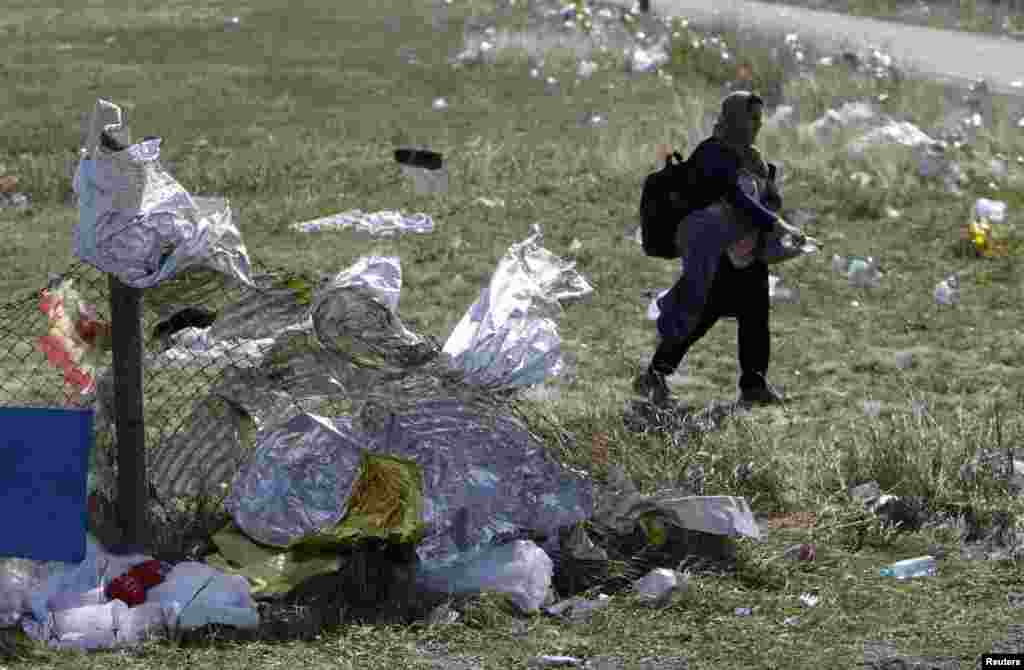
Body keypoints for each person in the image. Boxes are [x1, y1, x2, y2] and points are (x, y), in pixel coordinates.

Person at [634, 90, 801, 408]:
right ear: (733, 118)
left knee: (755, 318)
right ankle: (655, 374)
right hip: (716, 252)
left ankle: (754, 386)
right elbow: (738, 200)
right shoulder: (713, 153)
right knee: (699, 317)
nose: (756, 125)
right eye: (750, 118)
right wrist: (779, 226)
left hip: (746, 252)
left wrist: (768, 185)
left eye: (759, 119)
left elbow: (766, 199)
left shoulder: (750, 155)